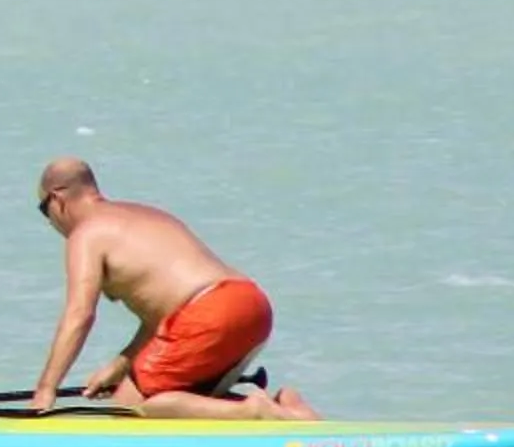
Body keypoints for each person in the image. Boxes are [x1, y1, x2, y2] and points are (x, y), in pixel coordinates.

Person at [27, 158, 320, 421]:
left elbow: (79, 315)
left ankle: (252, 411)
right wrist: (123, 363)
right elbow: (165, 311)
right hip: (251, 303)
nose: (50, 222)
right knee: (190, 399)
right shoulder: (144, 214)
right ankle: (285, 409)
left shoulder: (86, 233)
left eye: (44, 210)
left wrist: (45, 390)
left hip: (209, 312)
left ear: (57, 199)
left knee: (129, 408)